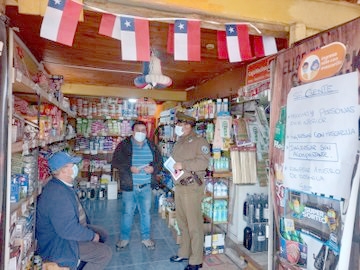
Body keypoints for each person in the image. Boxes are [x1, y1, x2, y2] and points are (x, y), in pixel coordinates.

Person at [36, 151, 112, 270]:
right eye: (72, 165)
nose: (76, 167)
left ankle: (81, 261)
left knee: (103, 234)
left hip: (68, 233)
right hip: (60, 243)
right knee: (104, 253)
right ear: (63, 170)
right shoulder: (57, 194)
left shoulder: (63, 185)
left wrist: (90, 233)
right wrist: (91, 236)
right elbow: (68, 230)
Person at [111, 120, 162, 250]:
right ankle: (124, 239)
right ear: (132, 132)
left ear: (146, 132)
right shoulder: (124, 145)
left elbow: (159, 163)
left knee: (146, 213)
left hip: (146, 186)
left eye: (143, 130)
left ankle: (146, 238)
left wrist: (153, 169)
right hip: (130, 186)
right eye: (138, 130)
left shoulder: (152, 145)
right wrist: (129, 168)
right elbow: (116, 162)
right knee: (127, 213)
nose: (141, 133)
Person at [169, 112, 211, 270]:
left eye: (186, 124)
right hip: (179, 187)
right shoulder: (179, 141)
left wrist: (183, 165)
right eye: (180, 124)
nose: (183, 127)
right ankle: (184, 252)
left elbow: (203, 163)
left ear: (192, 126)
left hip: (192, 187)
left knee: (194, 225)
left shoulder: (199, 141)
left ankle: (196, 260)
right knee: (182, 223)